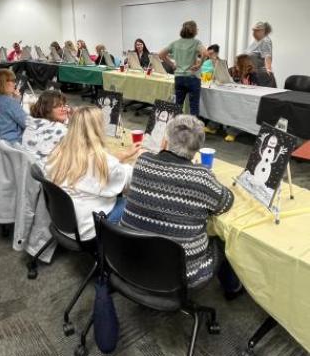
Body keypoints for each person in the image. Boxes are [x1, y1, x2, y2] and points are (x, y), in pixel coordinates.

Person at [121, 114, 241, 295]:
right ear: (197, 148)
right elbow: (226, 203)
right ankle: (232, 289)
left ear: (165, 140)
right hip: (181, 275)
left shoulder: (142, 162)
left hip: (132, 260)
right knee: (221, 239)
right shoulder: (201, 177)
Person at [46, 106, 140, 241]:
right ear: (97, 129)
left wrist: (122, 155)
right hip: (89, 230)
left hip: (63, 222)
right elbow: (133, 180)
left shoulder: (59, 151)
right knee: (133, 201)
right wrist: (143, 159)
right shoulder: (105, 163)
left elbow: (91, 166)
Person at [159, 20, 207, 116]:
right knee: (194, 107)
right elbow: (205, 53)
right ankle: (193, 130)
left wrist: (172, 64)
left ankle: (176, 127)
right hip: (193, 78)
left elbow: (161, 54)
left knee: (177, 106)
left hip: (179, 78)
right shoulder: (196, 42)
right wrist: (199, 65)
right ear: (194, 30)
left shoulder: (175, 43)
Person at [22, 90, 70, 164]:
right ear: (47, 110)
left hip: (31, 170)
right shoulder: (59, 130)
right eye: (58, 106)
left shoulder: (32, 125)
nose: (65, 109)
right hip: (47, 173)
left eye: (64, 105)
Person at [0, 69, 27, 143]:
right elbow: (27, 123)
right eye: (13, 81)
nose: (15, 84)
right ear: (4, 83)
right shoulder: (9, 102)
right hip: (13, 144)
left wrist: (15, 100)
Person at [244, 21, 276, 87]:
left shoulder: (266, 41)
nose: (254, 33)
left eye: (257, 31)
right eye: (254, 30)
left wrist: (268, 70)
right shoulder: (256, 42)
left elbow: (268, 57)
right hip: (253, 75)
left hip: (262, 77)